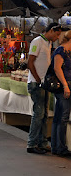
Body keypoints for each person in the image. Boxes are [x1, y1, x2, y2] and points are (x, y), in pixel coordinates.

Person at [27, 23, 62, 154]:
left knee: (45, 114)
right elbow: (30, 62)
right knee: (39, 113)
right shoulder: (37, 42)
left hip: (44, 83)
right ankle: (32, 143)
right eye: (57, 34)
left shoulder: (48, 43)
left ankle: (42, 142)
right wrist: (37, 79)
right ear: (51, 30)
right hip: (36, 83)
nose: (57, 37)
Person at [51, 30, 71, 156]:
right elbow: (57, 69)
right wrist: (65, 86)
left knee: (60, 116)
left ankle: (57, 146)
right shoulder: (61, 51)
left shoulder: (68, 52)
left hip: (67, 85)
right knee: (62, 117)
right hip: (63, 86)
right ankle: (59, 147)